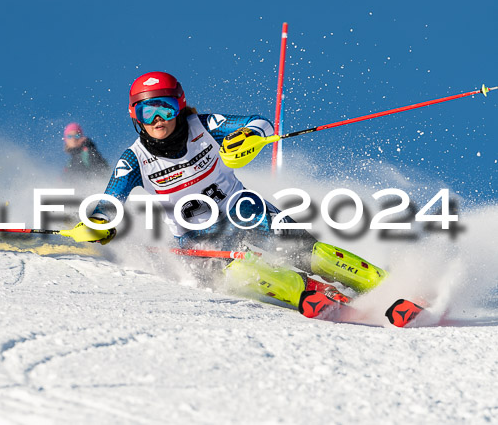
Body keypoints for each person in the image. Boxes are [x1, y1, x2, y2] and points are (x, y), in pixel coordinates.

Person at [67, 71, 388, 317]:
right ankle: (304, 293)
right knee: (239, 270)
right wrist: (97, 223)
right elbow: (111, 201)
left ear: (179, 105)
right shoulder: (134, 159)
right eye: (147, 111)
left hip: (241, 209)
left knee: (304, 248)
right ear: (135, 115)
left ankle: (380, 283)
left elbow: (260, 124)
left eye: (164, 108)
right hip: (197, 239)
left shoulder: (203, 126)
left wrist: (248, 136)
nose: (158, 119)